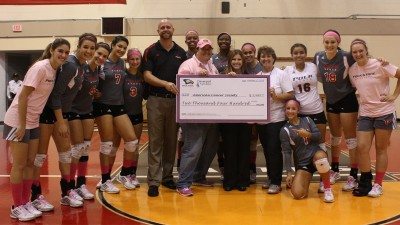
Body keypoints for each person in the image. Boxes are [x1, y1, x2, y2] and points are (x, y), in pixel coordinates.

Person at [3, 38, 70, 221]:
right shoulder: (40, 67)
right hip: (18, 119)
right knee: (19, 164)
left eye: (66, 52)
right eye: (60, 51)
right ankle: (16, 206)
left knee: (31, 163)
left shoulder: (55, 70)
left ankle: (25, 202)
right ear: (52, 51)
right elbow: (23, 96)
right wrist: (22, 125)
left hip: (33, 120)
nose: (63, 55)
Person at [33, 33, 97, 209]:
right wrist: (61, 121)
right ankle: (35, 195)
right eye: (86, 47)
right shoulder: (70, 65)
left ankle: (66, 192)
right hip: (49, 113)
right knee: (40, 156)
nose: (89, 51)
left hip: (63, 113)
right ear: (79, 46)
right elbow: (56, 95)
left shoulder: (81, 66)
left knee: (66, 154)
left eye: (92, 48)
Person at [348, 39, 400, 197]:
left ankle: (378, 184)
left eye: (360, 51)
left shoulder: (380, 64)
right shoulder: (352, 70)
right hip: (365, 113)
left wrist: (394, 95)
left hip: (384, 112)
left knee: (380, 149)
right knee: (362, 147)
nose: (358, 54)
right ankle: (365, 182)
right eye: (354, 52)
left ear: (366, 50)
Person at [143, 19, 187, 197]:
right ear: (158, 30)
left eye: (168, 27)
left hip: (175, 101)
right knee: (155, 142)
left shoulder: (181, 52)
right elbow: (146, 75)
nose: (166, 29)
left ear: (173, 30)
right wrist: (165, 84)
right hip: (156, 100)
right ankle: (153, 181)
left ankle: (167, 177)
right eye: (162, 27)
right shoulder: (151, 51)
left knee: (171, 141)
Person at [313, 29, 359, 190]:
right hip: (331, 100)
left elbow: (363, 64)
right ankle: (335, 169)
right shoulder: (318, 57)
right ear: (323, 42)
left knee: (350, 139)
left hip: (347, 99)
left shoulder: (346, 56)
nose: (330, 44)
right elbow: (318, 76)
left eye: (333, 42)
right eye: (327, 42)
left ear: (338, 42)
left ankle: (354, 174)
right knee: (334, 137)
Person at [93, 36, 139, 193]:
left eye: (124, 48)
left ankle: (124, 175)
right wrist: (95, 93)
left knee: (132, 141)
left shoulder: (121, 62)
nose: (121, 49)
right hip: (103, 105)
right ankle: (105, 179)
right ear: (112, 45)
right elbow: (93, 81)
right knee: (108, 145)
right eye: (119, 46)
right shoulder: (101, 62)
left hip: (119, 106)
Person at [67, 42, 111, 200]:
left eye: (105, 56)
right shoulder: (81, 68)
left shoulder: (98, 70)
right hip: (73, 110)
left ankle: (81, 184)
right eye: (99, 53)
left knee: (85, 147)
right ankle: (70, 186)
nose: (100, 57)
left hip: (87, 110)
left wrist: (96, 93)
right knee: (77, 148)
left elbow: (90, 90)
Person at [175, 39, 219, 196]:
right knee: (192, 150)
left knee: (209, 149)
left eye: (209, 49)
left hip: (210, 115)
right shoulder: (188, 65)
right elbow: (182, 86)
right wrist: (195, 76)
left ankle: (198, 176)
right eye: (203, 50)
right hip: (193, 116)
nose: (206, 52)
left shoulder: (211, 66)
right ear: (197, 51)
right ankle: (183, 183)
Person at [284, 43, 329, 191]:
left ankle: (324, 181)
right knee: (299, 147)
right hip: (301, 114)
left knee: (320, 145)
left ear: (305, 54)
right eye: (295, 53)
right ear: (292, 55)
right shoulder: (288, 71)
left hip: (316, 111)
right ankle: (300, 174)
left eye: (301, 52)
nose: (299, 55)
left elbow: (328, 72)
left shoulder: (313, 67)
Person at [256, 46, 294, 194]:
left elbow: (290, 94)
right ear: (259, 59)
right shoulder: (257, 75)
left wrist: (276, 97)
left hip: (276, 118)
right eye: (263, 56)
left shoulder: (281, 74)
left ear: (273, 58)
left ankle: (276, 182)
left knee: (274, 150)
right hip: (261, 120)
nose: (266, 59)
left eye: (268, 56)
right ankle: (270, 178)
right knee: (266, 150)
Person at [281, 100, 334, 203]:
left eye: (293, 108)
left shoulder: (307, 120)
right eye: (288, 108)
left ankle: (327, 189)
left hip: (315, 156)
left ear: (298, 110)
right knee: (297, 194)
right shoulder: (285, 130)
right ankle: (306, 179)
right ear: (285, 110)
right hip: (303, 163)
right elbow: (287, 152)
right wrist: (288, 173)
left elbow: (319, 137)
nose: (290, 111)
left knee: (321, 158)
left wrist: (308, 135)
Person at [112, 48, 146, 189]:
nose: (135, 61)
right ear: (128, 60)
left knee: (134, 147)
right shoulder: (123, 75)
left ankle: (131, 174)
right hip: (122, 114)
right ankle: (111, 176)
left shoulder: (143, 76)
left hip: (137, 114)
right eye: (132, 59)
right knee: (114, 146)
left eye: (137, 59)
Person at [220, 49, 252, 191]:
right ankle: (229, 181)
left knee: (243, 150)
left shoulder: (249, 77)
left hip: (245, 121)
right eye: (234, 59)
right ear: (229, 61)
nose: (236, 62)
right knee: (230, 150)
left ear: (243, 61)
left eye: (239, 59)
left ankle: (242, 181)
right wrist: (228, 79)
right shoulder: (222, 77)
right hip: (227, 121)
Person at [176, 29, 200, 170]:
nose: (192, 40)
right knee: (182, 136)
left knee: (197, 139)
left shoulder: (207, 57)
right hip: (184, 102)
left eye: (194, 38)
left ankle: (195, 167)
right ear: (185, 41)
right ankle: (180, 163)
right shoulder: (181, 56)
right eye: (189, 38)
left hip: (201, 102)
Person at [241, 42, 263, 184]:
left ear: (254, 52)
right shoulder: (241, 66)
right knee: (248, 141)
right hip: (245, 108)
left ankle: (252, 168)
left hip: (261, 108)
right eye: (245, 53)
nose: (248, 55)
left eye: (250, 52)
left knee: (255, 140)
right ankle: (248, 168)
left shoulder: (262, 66)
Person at [212, 32, 232, 179]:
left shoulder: (234, 57)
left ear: (230, 42)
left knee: (229, 137)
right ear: (218, 42)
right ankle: (222, 166)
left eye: (227, 39)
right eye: (221, 39)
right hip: (217, 101)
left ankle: (233, 165)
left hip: (233, 101)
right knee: (219, 138)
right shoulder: (213, 58)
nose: (224, 41)